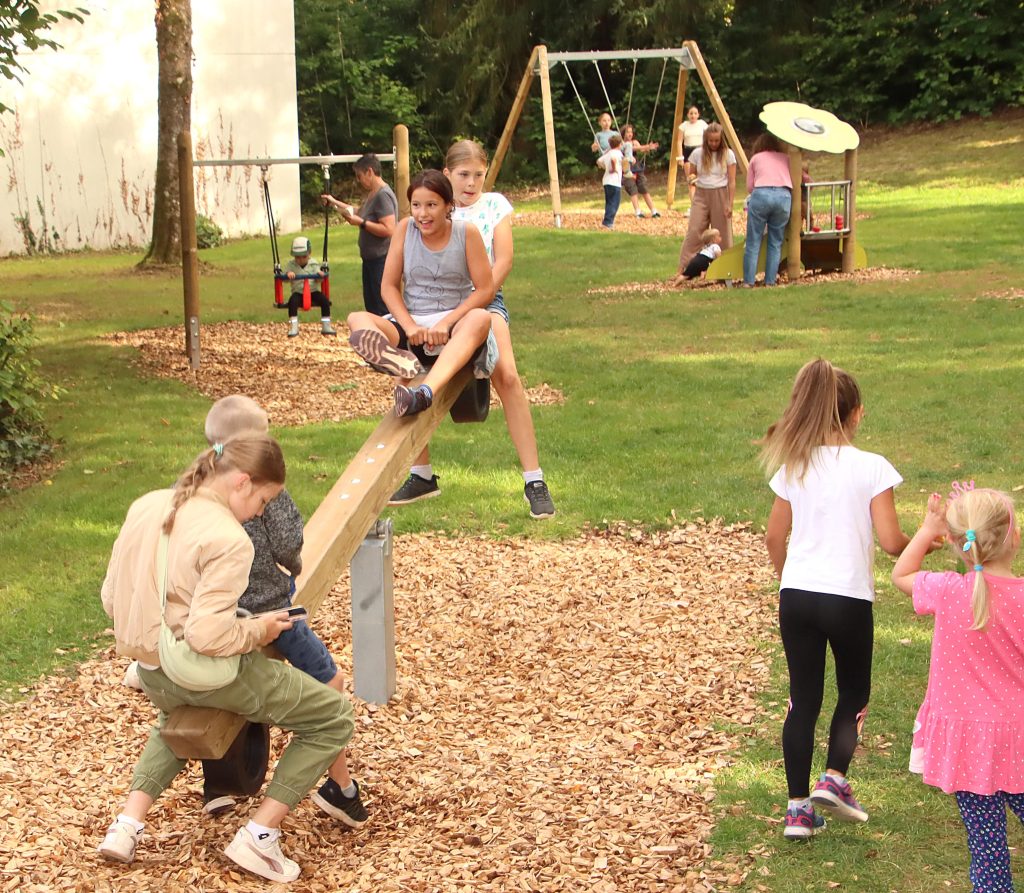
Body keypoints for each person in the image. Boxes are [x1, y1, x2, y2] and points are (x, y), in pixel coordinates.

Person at [97, 434, 365, 883]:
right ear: (242, 482)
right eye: (263, 500)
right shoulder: (229, 537)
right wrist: (260, 628)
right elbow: (208, 635)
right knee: (333, 717)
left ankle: (125, 826)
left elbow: (111, 597)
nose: (260, 512)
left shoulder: (147, 505)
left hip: (152, 671)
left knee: (177, 720)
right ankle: (259, 837)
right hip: (203, 672)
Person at [761, 358, 912, 840]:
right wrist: (927, 539)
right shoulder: (872, 468)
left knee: (802, 699)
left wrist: (789, 580)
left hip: (797, 597)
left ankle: (797, 812)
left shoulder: (795, 465)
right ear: (856, 414)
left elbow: (773, 536)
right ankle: (834, 778)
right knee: (853, 692)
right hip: (847, 599)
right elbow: (891, 542)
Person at [199, 395, 365, 819]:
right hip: (269, 610)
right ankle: (340, 788)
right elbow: (289, 542)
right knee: (331, 682)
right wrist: (292, 568)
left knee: (224, 688)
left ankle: (217, 785)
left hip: (217, 615)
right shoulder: (265, 488)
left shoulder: (200, 484)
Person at [388, 140, 556, 519]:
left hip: (483, 300)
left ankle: (534, 479)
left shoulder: (493, 205)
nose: (471, 183)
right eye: (463, 175)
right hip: (432, 308)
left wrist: (475, 303)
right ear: (447, 175)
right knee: (406, 372)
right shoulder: (431, 210)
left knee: (508, 375)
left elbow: (505, 259)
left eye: (478, 175)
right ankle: (421, 473)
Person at [893, 486, 1024, 893]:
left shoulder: (947, 590)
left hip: (965, 742)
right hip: (1019, 737)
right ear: (1013, 536)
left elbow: (901, 574)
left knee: (987, 852)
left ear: (954, 542)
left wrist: (926, 528)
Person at [346, 169, 494, 418]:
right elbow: (388, 287)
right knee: (356, 318)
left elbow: (486, 289)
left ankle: (424, 392)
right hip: (412, 328)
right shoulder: (405, 229)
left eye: (431, 205)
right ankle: (396, 359)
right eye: (416, 205)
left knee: (481, 318)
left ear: (449, 205)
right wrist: (410, 326)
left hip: (454, 329)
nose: (422, 213)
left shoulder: (465, 233)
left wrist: (446, 323)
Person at [320, 154, 397, 316]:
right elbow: (358, 212)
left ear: (370, 172)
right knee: (371, 306)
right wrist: (334, 202)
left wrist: (360, 223)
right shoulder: (373, 194)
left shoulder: (383, 196)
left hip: (381, 260)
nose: (358, 180)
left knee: (381, 307)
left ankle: (388, 339)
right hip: (370, 260)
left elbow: (389, 229)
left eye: (359, 176)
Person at [675, 124, 735, 278]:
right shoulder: (697, 153)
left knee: (722, 232)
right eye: (710, 141)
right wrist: (691, 178)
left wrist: (730, 203)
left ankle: (724, 270)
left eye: (716, 141)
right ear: (706, 140)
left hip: (721, 193)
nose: (713, 144)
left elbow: (732, 181)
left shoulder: (728, 155)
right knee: (695, 230)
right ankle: (685, 269)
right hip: (701, 194)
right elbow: (692, 174)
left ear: (721, 140)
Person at [742, 132, 793, 288]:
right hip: (783, 196)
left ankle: (749, 281)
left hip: (761, 195)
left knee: (753, 241)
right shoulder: (786, 158)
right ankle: (770, 281)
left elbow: (750, 187)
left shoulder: (756, 159)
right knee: (775, 242)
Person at [284, 237, 336, 338]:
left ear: (309, 253)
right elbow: (284, 279)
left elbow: (319, 280)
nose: (300, 260)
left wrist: (320, 275)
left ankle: (326, 326)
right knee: (292, 302)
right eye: (297, 257)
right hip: (298, 292)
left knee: (325, 301)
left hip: (313, 292)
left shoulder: (313, 263)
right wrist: (288, 274)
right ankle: (293, 326)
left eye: (304, 256)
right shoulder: (291, 265)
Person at [620, 123, 661, 219]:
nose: (630, 134)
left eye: (631, 132)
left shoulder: (634, 142)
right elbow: (634, 148)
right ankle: (637, 211)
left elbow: (639, 148)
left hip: (637, 167)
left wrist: (648, 148)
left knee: (643, 187)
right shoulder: (622, 144)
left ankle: (653, 210)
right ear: (623, 133)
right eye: (627, 132)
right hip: (626, 168)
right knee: (632, 189)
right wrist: (645, 147)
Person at [677, 106, 709, 206]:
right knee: (691, 180)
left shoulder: (702, 124)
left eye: (695, 113)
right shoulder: (683, 126)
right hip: (688, 152)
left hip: (701, 151)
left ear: (698, 115)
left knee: (703, 179)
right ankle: (694, 206)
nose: (693, 115)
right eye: (691, 113)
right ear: (688, 115)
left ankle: (705, 204)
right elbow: (679, 142)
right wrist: (680, 157)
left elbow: (708, 138)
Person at [596, 134, 624, 230]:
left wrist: (605, 167)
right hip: (614, 182)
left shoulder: (608, 153)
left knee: (609, 202)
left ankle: (607, 222)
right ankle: (608, 223)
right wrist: (614, 168)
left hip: (606, 181)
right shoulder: (618, 153)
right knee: (614, 203)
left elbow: (599, 161)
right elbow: (614, 160)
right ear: (620, 144)